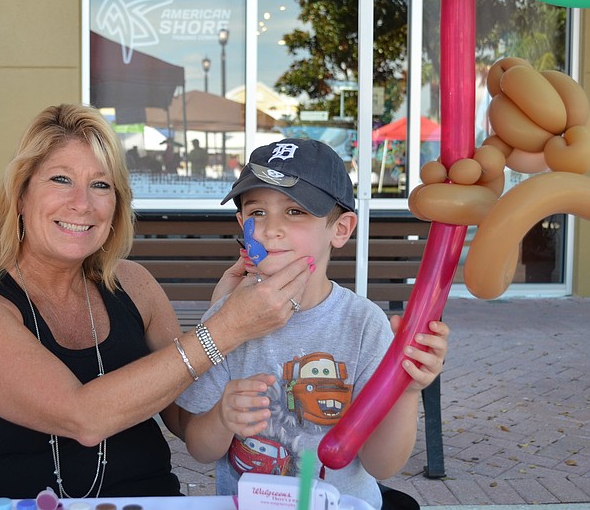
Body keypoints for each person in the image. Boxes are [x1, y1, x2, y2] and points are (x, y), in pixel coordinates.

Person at [0, 104, 314, 500]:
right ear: (21, 195)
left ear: (117, 206)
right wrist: (226, 327)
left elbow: (186, 416)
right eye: (61, 179)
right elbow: (83, 418)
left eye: (100, 185)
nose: (82, 203)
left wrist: (227, 316)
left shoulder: (132, 284)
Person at [176, 138, 449, 510]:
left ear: (340, 229)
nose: (271, 229)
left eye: (295, 212)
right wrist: (223, 417)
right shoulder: (225, 321)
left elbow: (382, 465)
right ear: (242, 224)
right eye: (257, 212)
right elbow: (200, 449)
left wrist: (406, 391)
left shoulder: (364, 325)